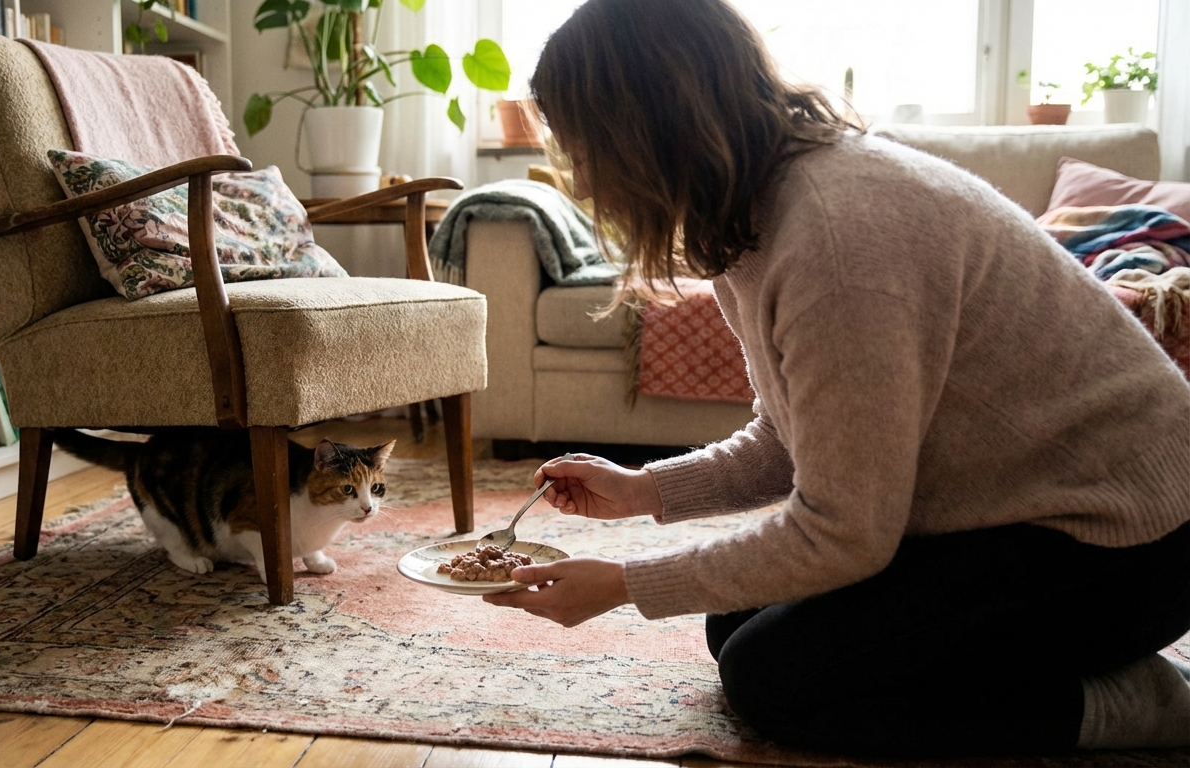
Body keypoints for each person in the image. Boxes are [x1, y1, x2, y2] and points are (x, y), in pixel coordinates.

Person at [482, 0, 1190, 757]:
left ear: (646, 126)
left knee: (774, 679)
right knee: (735, 625)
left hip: (1128, 541)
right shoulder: (754, 211)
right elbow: (792, 441)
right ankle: (1048, 665)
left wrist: (625, 583)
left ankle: (1135, 706)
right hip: (1022, 512)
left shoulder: (836, 237)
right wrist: (643, 492)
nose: (583, 185)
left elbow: (845, 532)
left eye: (583, 147)